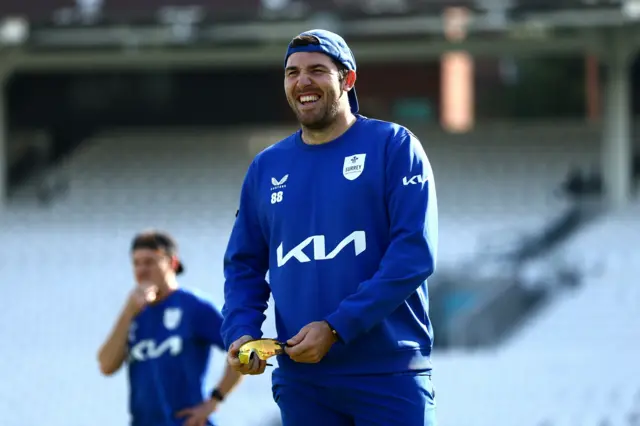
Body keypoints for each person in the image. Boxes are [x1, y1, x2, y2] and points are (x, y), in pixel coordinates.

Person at [221, 29, 438, 426]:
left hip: (388, 375)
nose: (302, 81)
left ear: (348, 79)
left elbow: (413, 255)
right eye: (292, 72)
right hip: (303, 384)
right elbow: (243, 265)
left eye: (317, 70)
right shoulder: (267, 167)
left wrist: (337, 328)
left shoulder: (393, 146)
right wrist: (241, 331)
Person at [97, 230, 243, 426]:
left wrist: (214, 400)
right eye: (136, 263)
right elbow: (106, 365)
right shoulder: (134, 312)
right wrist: (127, 313)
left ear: (172, 263)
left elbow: (242, 351)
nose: (141, 270)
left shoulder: (194, 307)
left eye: (149, 262)